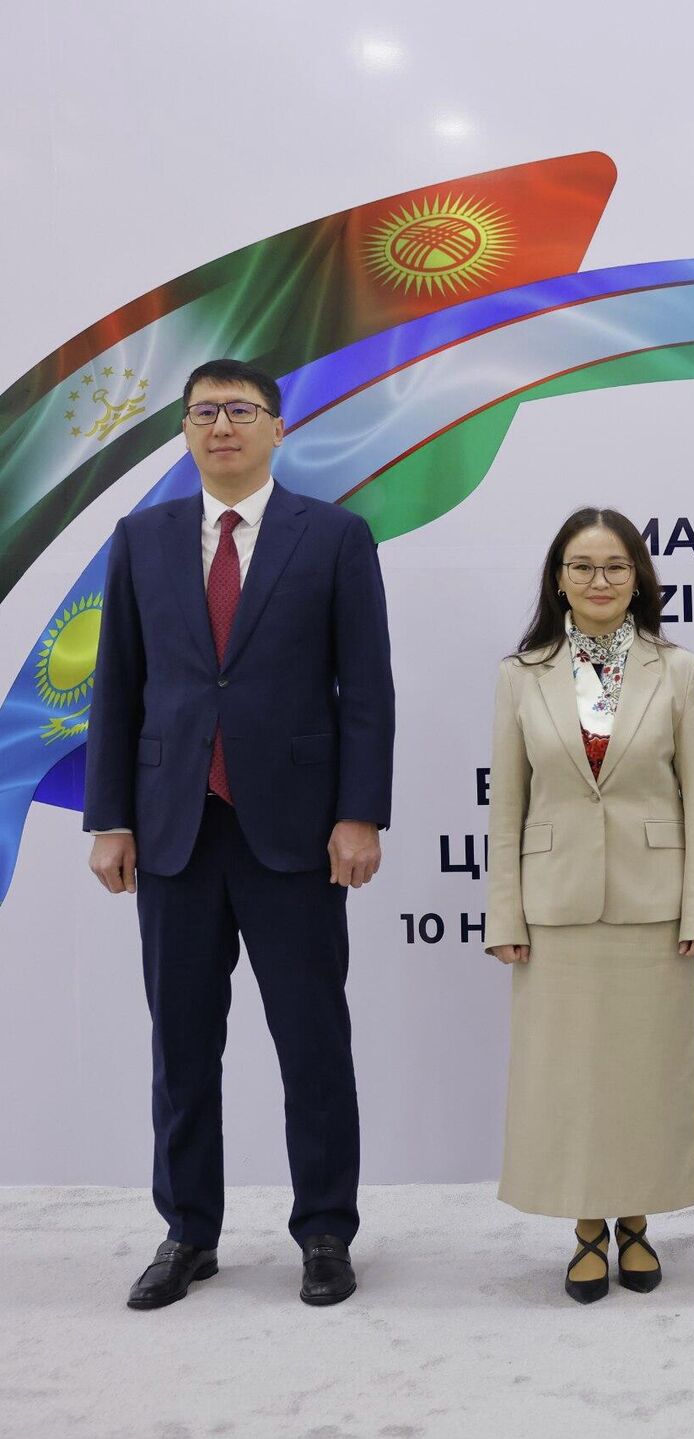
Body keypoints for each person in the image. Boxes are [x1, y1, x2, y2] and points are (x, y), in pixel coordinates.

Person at [84, 358, 395, 1309]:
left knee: (312, 1041)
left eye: (241, 410)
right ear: (185, 430)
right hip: (173, 831)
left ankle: (326, 1231)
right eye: (204, 412)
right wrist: (110, 818)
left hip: (296, 834)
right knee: (182, 1047)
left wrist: (359, 812)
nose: (222, 426)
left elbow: (366, 688)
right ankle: (188, 1231)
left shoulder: (333, 536)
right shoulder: (141, 539)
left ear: (277, 427)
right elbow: (118, 688)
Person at [483, 507, 694, 1304]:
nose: (599, 580)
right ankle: (588, 1226)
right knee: (569, 1082)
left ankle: (637, 1220)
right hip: (554, 908)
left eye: (615, 566)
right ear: (559, 580)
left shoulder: (680, 671)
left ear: (638, 577)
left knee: (644, 1076)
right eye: (582, 566)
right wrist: (504, 914)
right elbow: (507, 808)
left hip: (654, 907)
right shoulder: (521, 674)